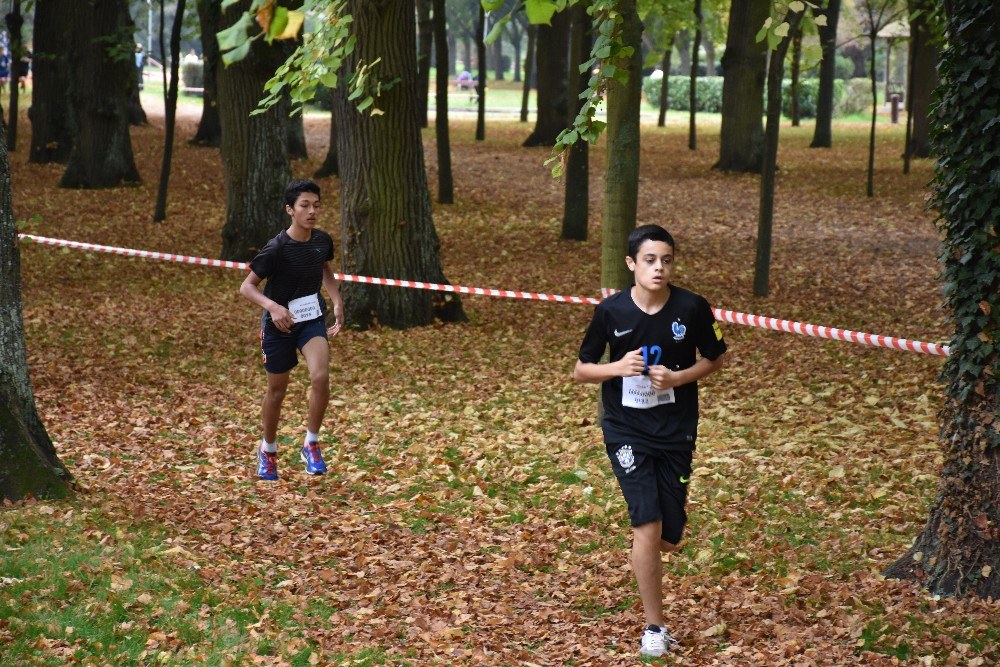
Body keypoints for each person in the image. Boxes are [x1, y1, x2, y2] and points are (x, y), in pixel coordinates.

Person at [573, 224, 727, 658]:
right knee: (647, 523)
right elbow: (582, 369)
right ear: (631, 264)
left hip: (675, 430)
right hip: (626, 429)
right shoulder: (611, 311)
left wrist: (677, 378)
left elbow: (716, 358)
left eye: (666, 260)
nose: (659, 268)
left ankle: (647, 554)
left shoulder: (692, 307)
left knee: (668, 537)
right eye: (650, 260)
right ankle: (654, 628)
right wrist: (616, 368)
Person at [239, 179, 345, 481]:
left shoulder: (322, 240)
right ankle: (268, 450)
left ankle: (311, 444)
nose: (312, 211)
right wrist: (272, 307)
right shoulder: (276, 248)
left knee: (320, 376)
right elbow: (247, 287)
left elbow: (324, 267)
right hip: (279, 326)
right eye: (304, 206)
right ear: (290, 209)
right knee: (277, 390)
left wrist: (337, 300)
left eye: (316, 206)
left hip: (311, 319)